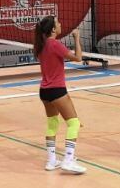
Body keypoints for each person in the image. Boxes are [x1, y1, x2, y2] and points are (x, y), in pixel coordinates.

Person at [34, 16, 86, 174]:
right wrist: (77, 38)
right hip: (57, 90)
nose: (60, 24)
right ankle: (68, 160)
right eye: (57, 23)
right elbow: (78, 58)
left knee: (52, 124)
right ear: (52, 29)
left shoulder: (40, 45)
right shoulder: (54, 44)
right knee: (74, 123)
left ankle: (51, 161)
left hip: (44, 91)